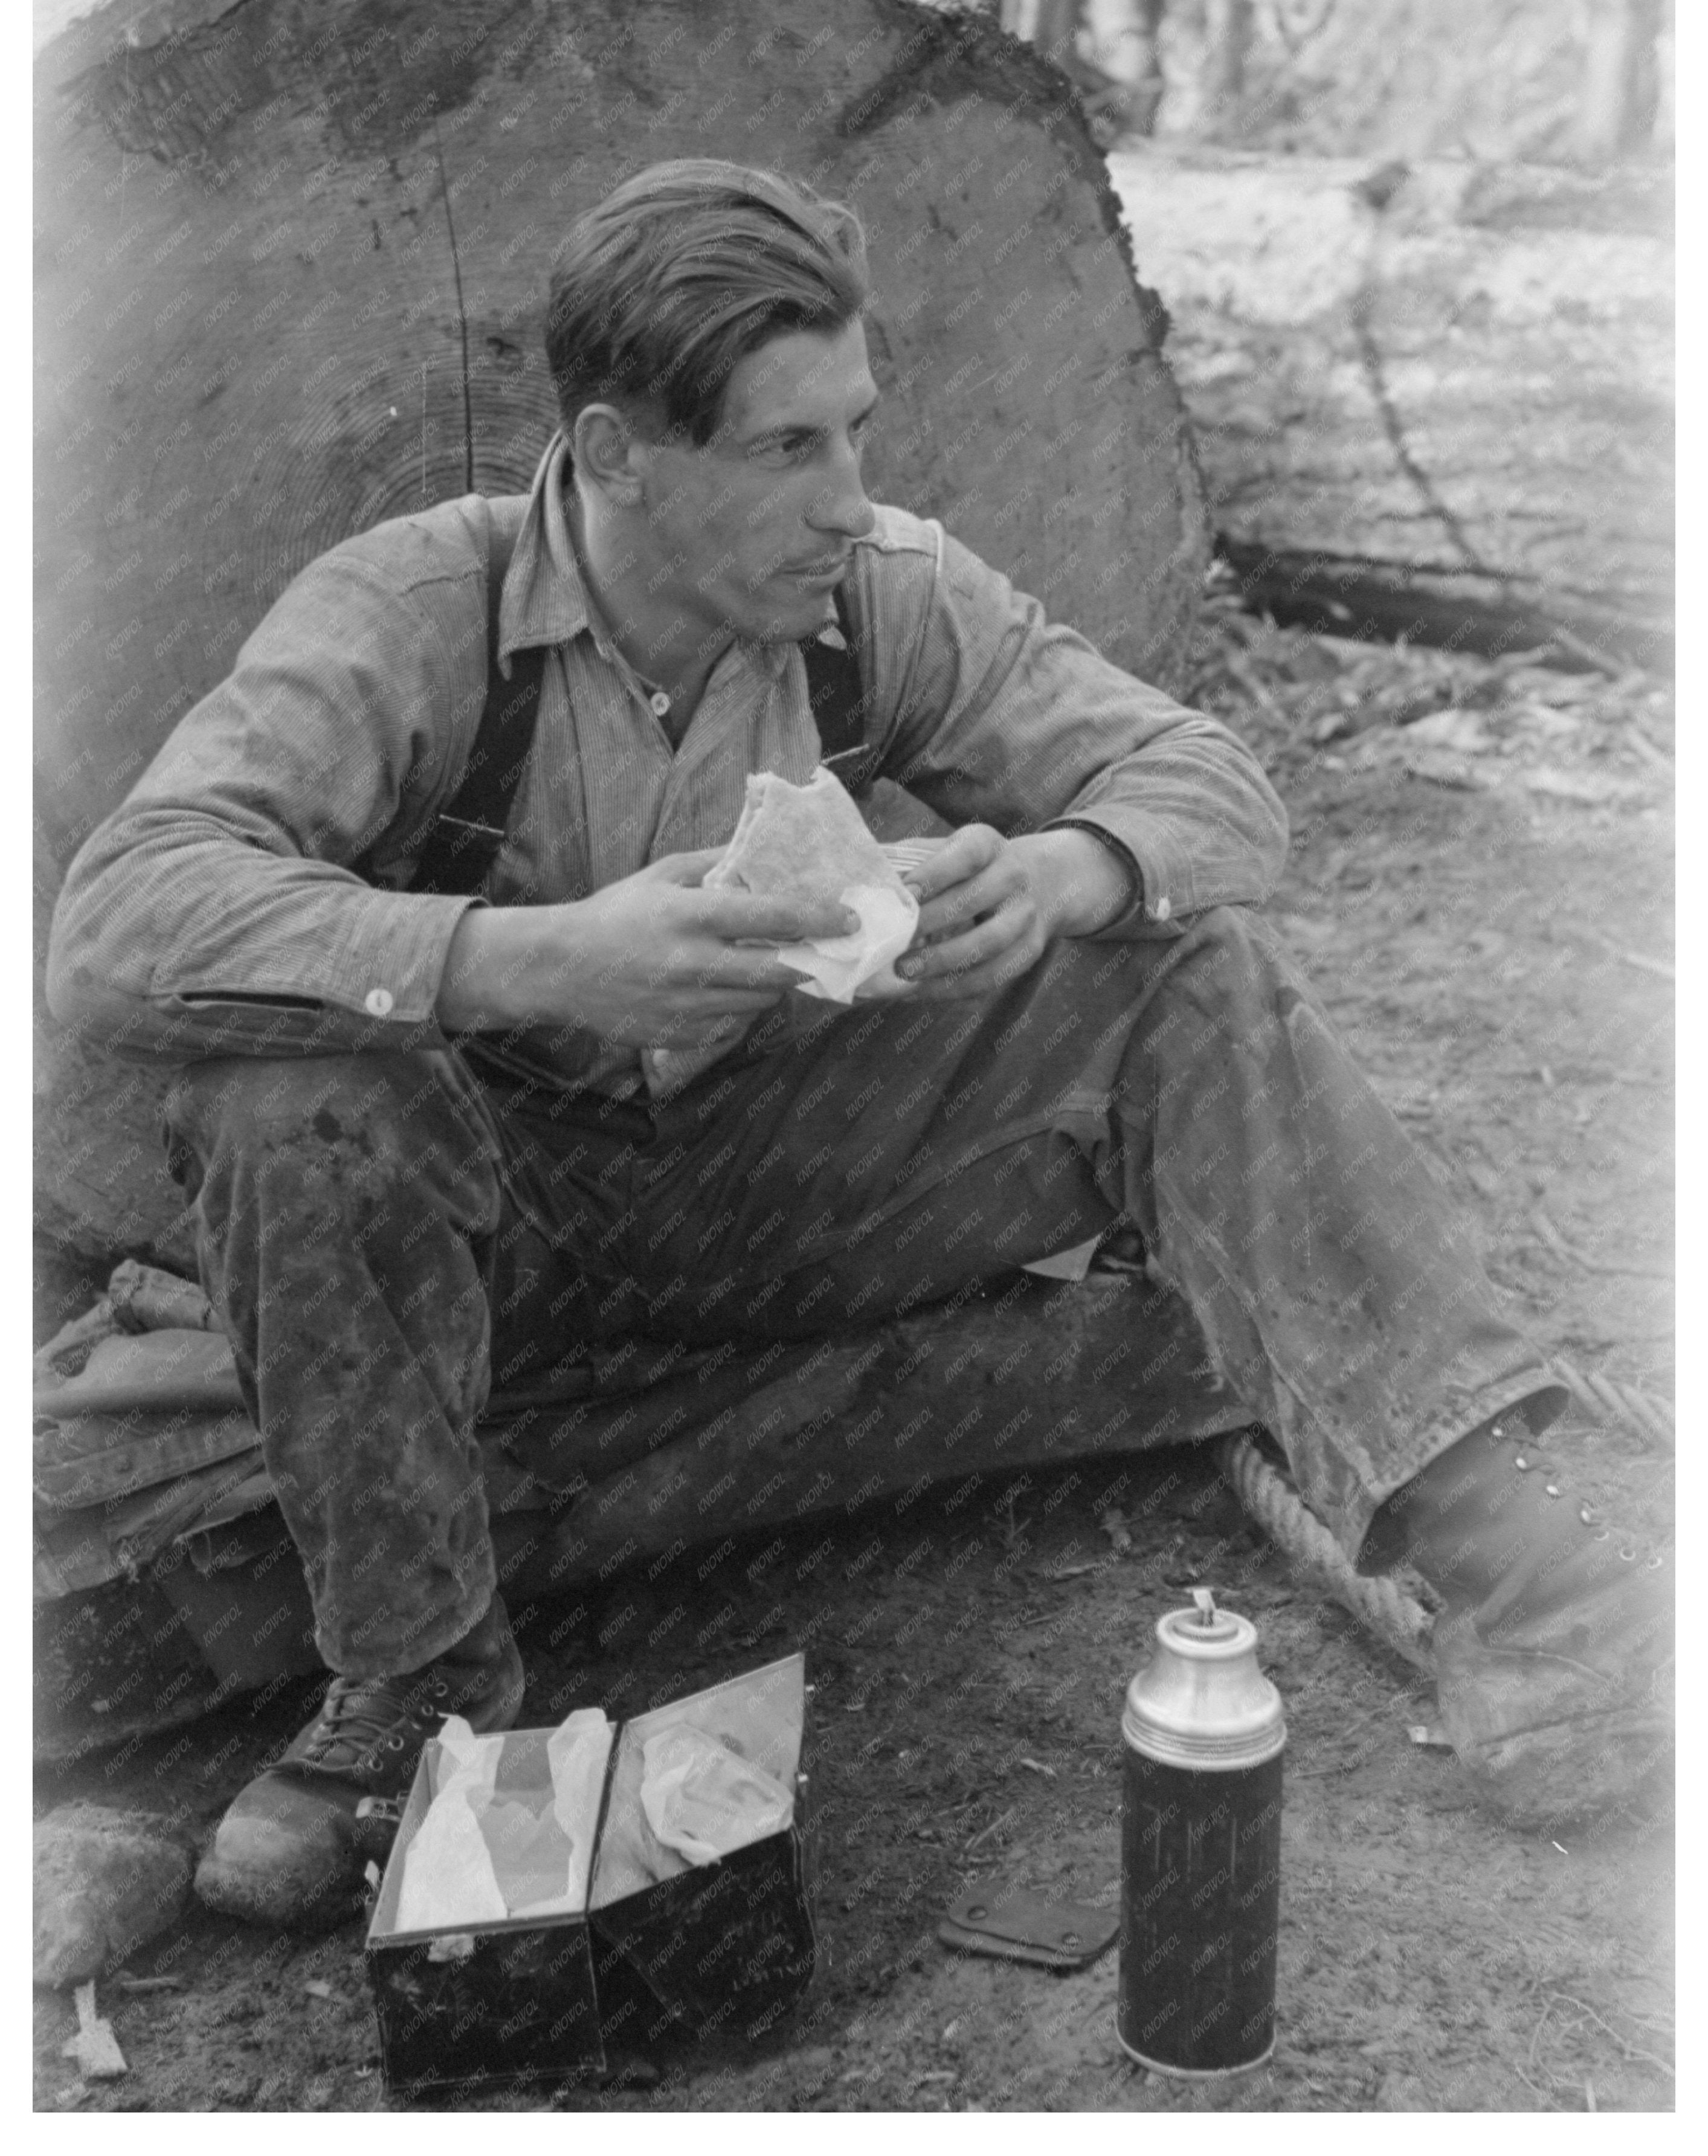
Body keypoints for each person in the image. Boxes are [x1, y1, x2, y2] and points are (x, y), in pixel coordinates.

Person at [48, 159, 1669, 1930]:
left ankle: (1521, 1573)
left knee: (1179, 967)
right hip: (493, 1236)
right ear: (611, 454)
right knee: (294, 1098)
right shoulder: (421, 610)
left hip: (781, 1193)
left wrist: (1063, 868)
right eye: (784, 450)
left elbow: (1218, 794)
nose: (846, 499)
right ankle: (418, 1688)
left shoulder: (875, 595)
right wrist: (529, 960)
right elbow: (123, 919)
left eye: (855, 433)